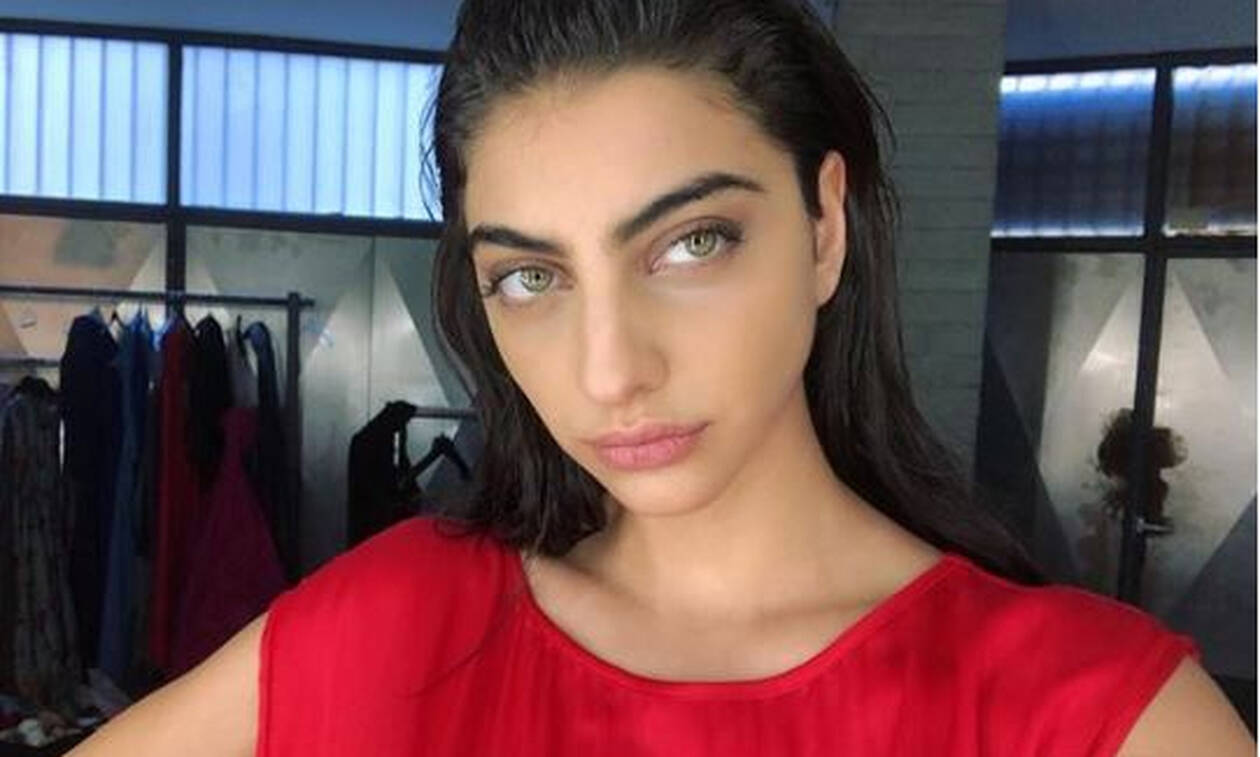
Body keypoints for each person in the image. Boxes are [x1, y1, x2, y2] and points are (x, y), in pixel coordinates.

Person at [69, 0, 1254, 754]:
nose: (610, 370)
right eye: (531, 276)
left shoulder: (1098, 716)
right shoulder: (397, 624)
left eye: (692, 243)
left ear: (825, 226)